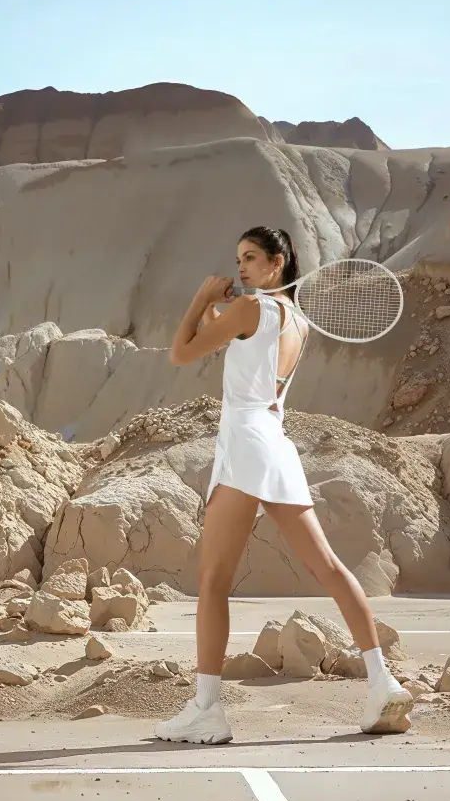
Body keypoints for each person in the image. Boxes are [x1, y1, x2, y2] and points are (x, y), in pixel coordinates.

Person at [154, 225, 414, 744]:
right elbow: (239, 352)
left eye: (250, 258)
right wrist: (217, 313)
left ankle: (207, 708)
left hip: (246, 443)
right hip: (276, 443)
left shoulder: (250, 310)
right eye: (238, 257)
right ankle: (383, 682)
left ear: (278, 262)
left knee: (212, 581)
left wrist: (201, 299)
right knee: (328, 567)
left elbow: (180, 353)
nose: (241, 267)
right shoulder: (293, 318)